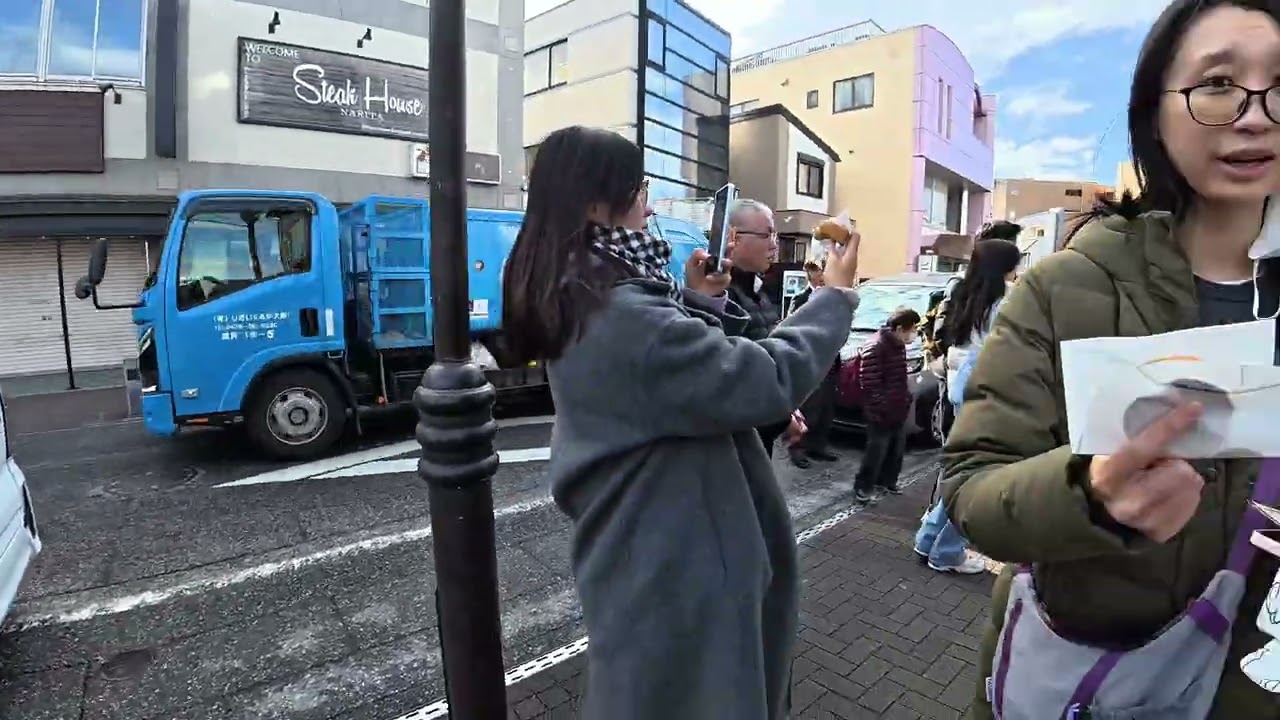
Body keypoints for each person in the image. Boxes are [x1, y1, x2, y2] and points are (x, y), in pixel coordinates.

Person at [942, 2, 1280, 717]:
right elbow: (971, 489)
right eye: (1218, 84)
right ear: (1154, 110)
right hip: (1086, 681)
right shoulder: (1066, 285)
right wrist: (1089, 496)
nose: (1256, 115)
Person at [501, 126, 864, 720]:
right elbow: (763, 378)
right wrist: (835, 298)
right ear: (598, 201)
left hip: (646, 540)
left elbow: (667, 377)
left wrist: (698, 302)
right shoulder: (619, 308)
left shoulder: (585, 286)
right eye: (639, 188)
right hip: (677, 560)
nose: (648, 203)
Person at [912, 233, 1021, 575]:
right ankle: (946, 550)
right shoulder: (1008, 301)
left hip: (958, 382)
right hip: (988, 387)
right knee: (974, 475)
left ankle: (930, 537)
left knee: (959, 467)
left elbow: (939, 335)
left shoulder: (958, 293)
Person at [723, 199, 793, 458]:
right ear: (734, 238)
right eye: (766, 235)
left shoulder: (759, 290)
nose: (774, 244)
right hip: (735, 447)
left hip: (762, 437)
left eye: (774, 235)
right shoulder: (718, 297)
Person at [852, 307, 920, 504]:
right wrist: (882, 405)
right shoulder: (876, 346)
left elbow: (899, 377)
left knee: (896, 448)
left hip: (897, 407)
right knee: (876, 450)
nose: (913, 334)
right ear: (899, 328)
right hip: (881, 410)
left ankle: (887, 481)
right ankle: (863, 487)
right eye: (912, 329)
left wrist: (904, 399)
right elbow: (869, 382)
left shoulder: (898, 345)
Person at [791, 261, 840, 467]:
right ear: (810, 273)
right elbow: (793, 327)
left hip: (830, 359)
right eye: (819, 270)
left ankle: (818, 445)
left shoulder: (832, 297)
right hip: (810, 358)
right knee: (808, 407)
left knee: (826, 407)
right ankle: (797, 449)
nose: (822, 274)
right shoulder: (801, 299)